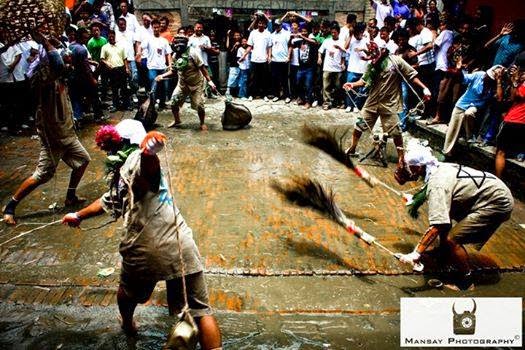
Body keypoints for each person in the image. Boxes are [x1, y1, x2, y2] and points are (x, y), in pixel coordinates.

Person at [61, 130, 222, 348]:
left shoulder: (135, 158)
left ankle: (128, 324)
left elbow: (148, 169)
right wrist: (78, 215)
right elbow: (107, 200)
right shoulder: (122, 173)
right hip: (179, 243)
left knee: (127, 293)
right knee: (201, 311)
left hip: (145, 248)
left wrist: (149, 152)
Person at [395, 140, 514, 289]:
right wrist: (416, 198)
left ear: (418, 167)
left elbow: (437, 225)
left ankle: (466, 280)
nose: (401, 168)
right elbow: (433, 187)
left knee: (452, 239)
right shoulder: (436, 167)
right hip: (493, 190)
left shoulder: (438, 184)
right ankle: (443, 254)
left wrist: (416, 252)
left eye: (406, 166)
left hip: (496, 202)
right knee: (445, 216)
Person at [3, 31, 90, 225]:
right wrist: (45, 43)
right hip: (53, 137)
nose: (67, 62)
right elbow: (58, 63)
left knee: (83, 160)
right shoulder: (45, 79)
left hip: (67, 134)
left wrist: (56, 43)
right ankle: (10, 206)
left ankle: (70, 196)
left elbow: (65, 59)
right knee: (43, 175)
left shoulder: (58, 77)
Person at [344, 42, 431, 167]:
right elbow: (364, 80)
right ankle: (352, 147)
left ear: (383, 50)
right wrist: (352, 84)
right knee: (359, 125)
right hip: (372, 101)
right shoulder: (372, 65)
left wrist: (424, 88)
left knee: (396, 132)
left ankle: (401, 157)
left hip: (390, 103)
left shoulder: (396, 61)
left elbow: (411, 74)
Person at [156, 36, 216, 131]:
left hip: (196, 84)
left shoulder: (193, 53)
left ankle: (202, 123)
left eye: (178, 43)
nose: (176, 45)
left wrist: (210, 81)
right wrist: (162, 76)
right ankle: (177, 120)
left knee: (200, 105)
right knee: (174, 102)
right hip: (182, 84)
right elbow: (173, 71)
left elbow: (202, 68)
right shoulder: (175, 56)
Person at [442, 65, 504, 156]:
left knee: (469, 113)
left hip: (477, 106)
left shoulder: (496, 85)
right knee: (452, 129)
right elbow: (463, 79)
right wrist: (459, 69)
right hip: (463, 103)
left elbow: (499, 98)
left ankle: (469, 136)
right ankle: (447, 152)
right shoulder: (479, 75)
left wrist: (498, 81)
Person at [495, 63, 525, 177]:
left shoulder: (521, 85)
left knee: (500, 152)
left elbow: (514, 97)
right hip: (519, 121)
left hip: (514, 120)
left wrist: (516, 81)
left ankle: (497, 181)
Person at [137, 19, 172, 110]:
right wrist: (139, 54)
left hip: (163, 67)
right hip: (152, 67)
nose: (156, 29)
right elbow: (141, 46)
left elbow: (168, 54)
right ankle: (151, 105)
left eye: (157, 27)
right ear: (152, 28)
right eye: (154, 27)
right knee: (153, 87)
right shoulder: (148, 39)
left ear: (160, 27)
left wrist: (170, 65)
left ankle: (162, 104)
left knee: (164, 87)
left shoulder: (164, 41)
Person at [242, 17, 271, 100]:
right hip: (254, 59)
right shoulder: (253, 33)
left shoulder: (268, 33)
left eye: (262, 23)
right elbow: (250, 46)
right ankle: (251, 95)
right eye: (259, 23)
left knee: (264, 78)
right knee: (252, 78)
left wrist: (269, 56)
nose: (261, 25)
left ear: (265, 25)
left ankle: (264, 95)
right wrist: (244, 55)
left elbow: (269, 47)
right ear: (257, 24)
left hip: (264, 59)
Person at [100, 30, 129, 112]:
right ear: (108, 37)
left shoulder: (121, 46)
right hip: (112, 70)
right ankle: (116, 105)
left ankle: (126, 105)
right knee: (114, 89)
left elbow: (125, 58)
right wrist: (107, 64)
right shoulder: (105, 47)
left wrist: (126, 68)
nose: (111, 37)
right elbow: (102, 59)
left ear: (115, 36)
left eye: (112, 36)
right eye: (110, 36)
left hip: (121, 68)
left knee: (124, 88)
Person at [318, 23, 345, 110]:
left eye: (335, 32)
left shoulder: (342, 42)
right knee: (326, 86)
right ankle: (327, 103)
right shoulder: (327, 41)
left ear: (338, 32)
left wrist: (343, 63)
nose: (333, 34)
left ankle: (337, 102)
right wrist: (319, 58)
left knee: (338, 86)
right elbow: (320, 51)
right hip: (327, 67)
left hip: (338, 68)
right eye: (332, 32)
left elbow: (344, 54)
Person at [344, 22, 369, 112]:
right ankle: (349, 105)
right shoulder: (352, 41)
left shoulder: (366, 41)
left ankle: (356, 105)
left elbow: (370, 53)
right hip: (352, 68)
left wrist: (363, 49)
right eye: (356, 33)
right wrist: (350, 35)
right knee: (349, 87)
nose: (358, 35)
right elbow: (345, 47)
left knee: (360, 89)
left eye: (359, 33)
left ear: (362, 32)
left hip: (362, 69)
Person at [295, 27, 318, 109]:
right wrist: (294, 35)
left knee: (308, 85)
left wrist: (303, 37)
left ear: (308, 32)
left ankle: (308, 102)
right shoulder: (299, 42)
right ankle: (302, 99)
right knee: (298, 83)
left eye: (305, 31)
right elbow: (290, 42)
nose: (303, 33)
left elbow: (315, 43)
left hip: (309, 68)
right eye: (302, 31)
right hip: (301, 67)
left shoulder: (311, 40)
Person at [269, 19, 291, 102]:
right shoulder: (272, 35)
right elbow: (270, 46)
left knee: (284, 79)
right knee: (275, 79)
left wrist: (288, 56)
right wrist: (269, 56)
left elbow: (290, 46)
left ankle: (287, 96)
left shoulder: (286, 33)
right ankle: (276, 95)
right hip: (274, 60)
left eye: (278, 25)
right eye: (275, 25)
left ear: (281, 25)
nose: (277, 27)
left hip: (284, 60)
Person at [225, 30, 242, 98]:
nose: (237, 36)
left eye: (238, 35)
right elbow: (228, 48)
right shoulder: (232, 43)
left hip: (241, 63)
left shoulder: (242, 43)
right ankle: (228, 91)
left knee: (239, 78)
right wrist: (228, 36)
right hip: (233, 62)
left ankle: (237, 92)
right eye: (235, 35)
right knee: (232, 77)